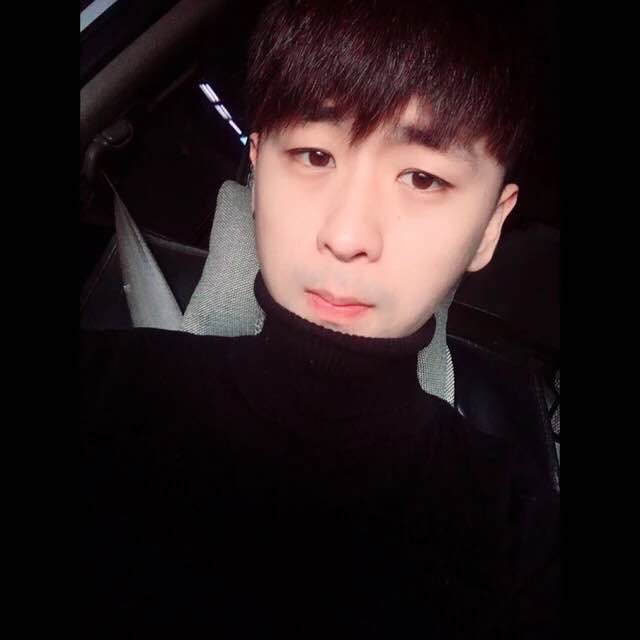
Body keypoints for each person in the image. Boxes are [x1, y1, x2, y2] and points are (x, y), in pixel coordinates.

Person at [80, 0, 559, 636]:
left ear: (490, 227)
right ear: (257, 171)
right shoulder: (103, 394)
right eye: (313, 156)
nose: (347, 234)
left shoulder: (516, 530)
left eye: (422, 178)